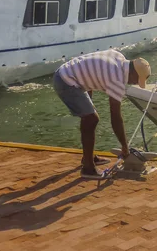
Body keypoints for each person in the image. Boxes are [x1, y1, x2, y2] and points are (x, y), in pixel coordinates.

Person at [53, 50, 151, 179]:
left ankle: (88, 158)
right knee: (91, 119)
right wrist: (125, 147)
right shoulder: (117, 79)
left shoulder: (118, 56)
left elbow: (92, 67)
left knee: (89, 117)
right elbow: (115, 117)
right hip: (66, 81)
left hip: (69, 73)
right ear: (132, 73)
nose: (134, 83)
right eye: (136, 80)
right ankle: (88, 168)